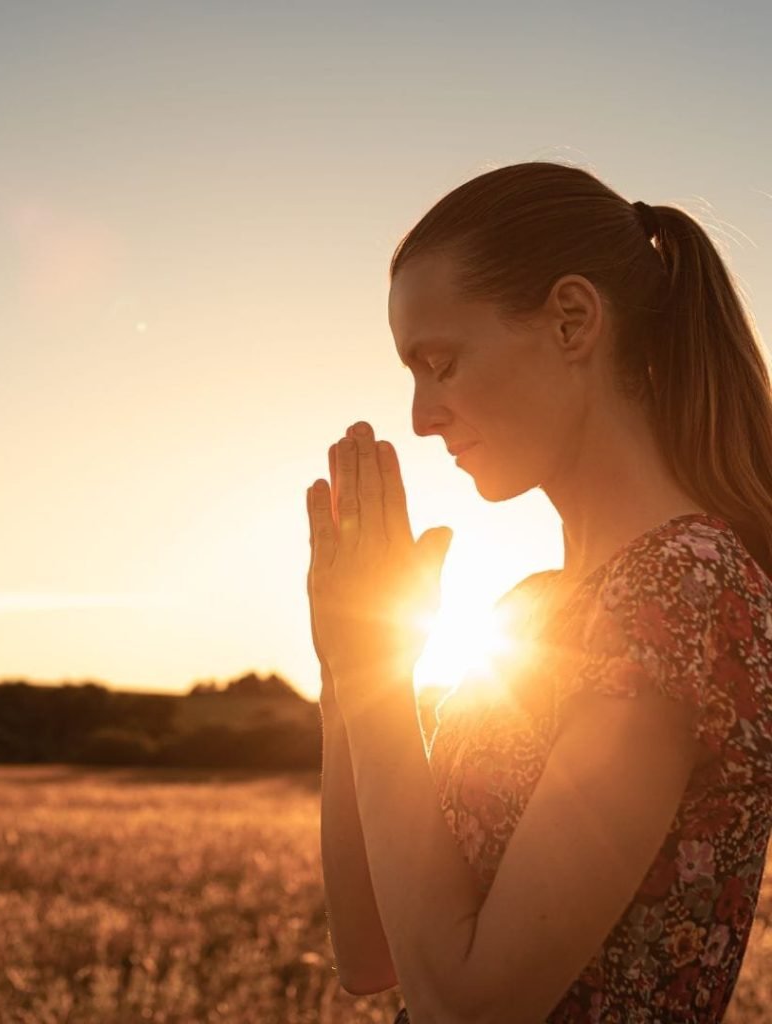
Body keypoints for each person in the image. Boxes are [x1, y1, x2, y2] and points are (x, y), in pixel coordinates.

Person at [305, 161, 772, 1023]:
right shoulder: (532, 611)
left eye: (440, 363)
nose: (421, 414)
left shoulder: (688, 588)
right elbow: (371, 955)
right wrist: (352, 673)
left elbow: (471, 1007)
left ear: (571, 320)